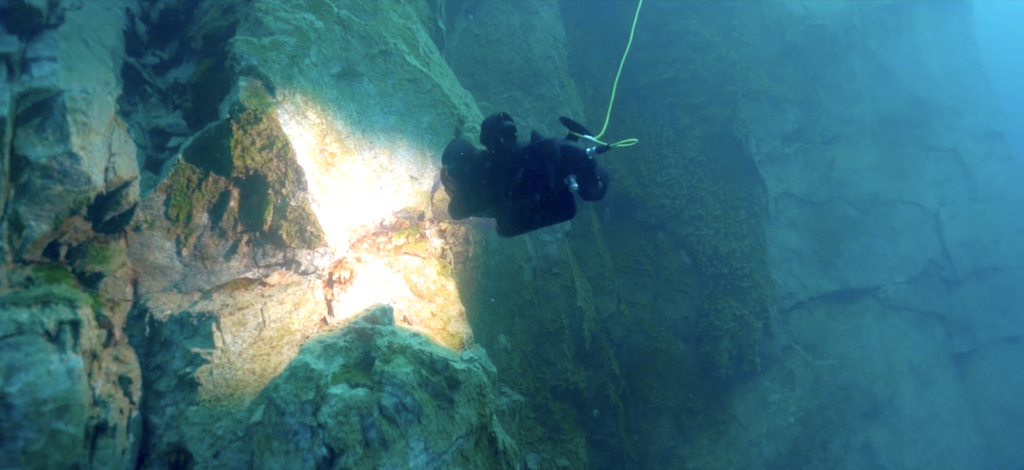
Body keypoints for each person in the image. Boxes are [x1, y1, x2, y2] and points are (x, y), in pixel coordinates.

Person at [440, 112, 610, 238]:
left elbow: (456, 211)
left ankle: (579, 165)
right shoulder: (480, 190)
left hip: (542, 180)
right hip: (542, 180)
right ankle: (580, 165)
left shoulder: (474, 192)